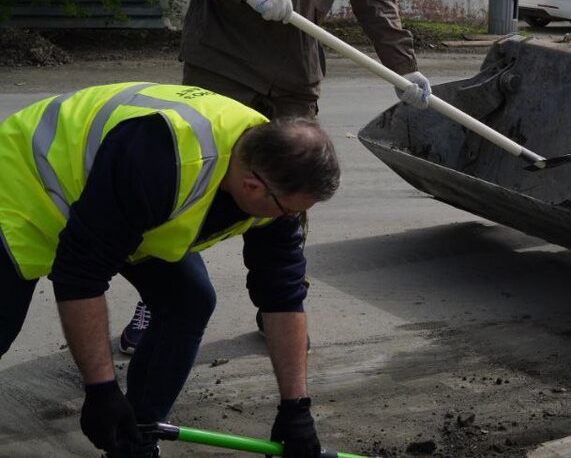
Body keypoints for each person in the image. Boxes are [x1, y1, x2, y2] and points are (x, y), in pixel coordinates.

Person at [117, 0, 431, 352]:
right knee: (197, 187)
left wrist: (403, 69)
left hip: (294, 76)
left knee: (288, 198)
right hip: (224, 64)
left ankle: (280, 306)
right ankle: (158, 299)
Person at [0, 82, 341, 457]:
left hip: (113, 200)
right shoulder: (164, 160)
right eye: (289, 210)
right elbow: (79, 277)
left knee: (188, 301)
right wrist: (101, 390)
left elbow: (283, 296)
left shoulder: (271, 164)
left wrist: (296, 408)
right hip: (23, 184)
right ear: (251, 186)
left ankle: (134, 438)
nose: (291, 219)